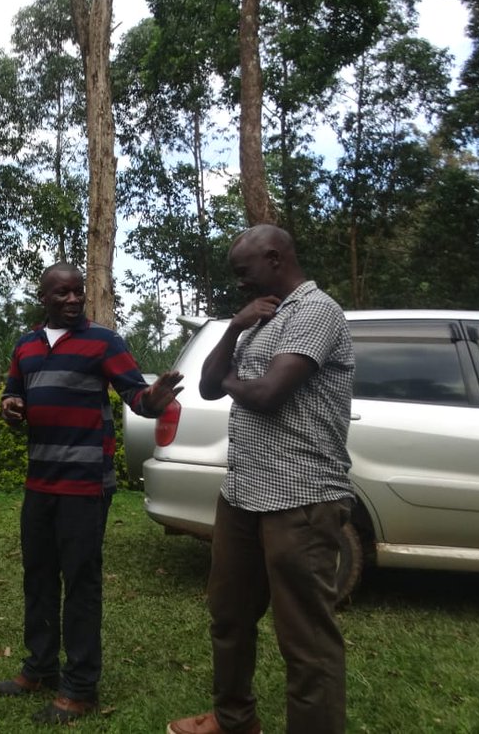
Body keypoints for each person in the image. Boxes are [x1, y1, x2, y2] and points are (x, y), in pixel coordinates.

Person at [167, 225, 355, 734]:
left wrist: (231, 381)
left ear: (274, 258)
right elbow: (206, 386)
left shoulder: (317, 311)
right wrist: (234, 328)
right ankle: (234, 721)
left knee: (306, 638)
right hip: (243, 493)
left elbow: (269, 392)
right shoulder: (258, 317)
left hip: (302, 498)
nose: (240, 284)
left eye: (243, 272)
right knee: (229, 617)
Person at [0, 262, 183, 725]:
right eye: (63, 293)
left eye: (79, 292)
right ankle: (38, 669)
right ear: (44, 298)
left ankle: (80, 687)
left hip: (85, 485)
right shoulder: (26, 346)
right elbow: (12, 397)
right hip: (40, 483)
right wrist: (10, 409)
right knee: (37, 577)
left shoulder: (104, 341)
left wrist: (156, 399)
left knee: (80, 584)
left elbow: (137, 397)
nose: (74, 299)